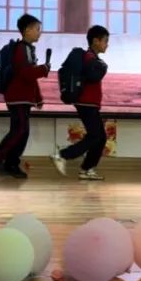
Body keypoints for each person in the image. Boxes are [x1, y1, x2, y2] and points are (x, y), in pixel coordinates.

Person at [0, 14, 49, 179]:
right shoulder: (22, 49)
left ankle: (11, 163)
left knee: (22, 131)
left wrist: (38, 97)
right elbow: (26, 73)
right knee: (20, 129)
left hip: (22, 97)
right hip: (17, 96)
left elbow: (29, 76)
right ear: (27, 30)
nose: (39, 32)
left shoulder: (27, 49)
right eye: (37, 29)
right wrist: (43, 69)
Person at [51, 25, 110, 180]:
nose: (107, 45)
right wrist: (103, 67)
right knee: (95, 136)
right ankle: (62, 155)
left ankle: (87, 169)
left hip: (89, 103)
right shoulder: (89, 57)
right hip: (86, 103)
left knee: (100, 137)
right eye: (105, 41)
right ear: (96, 41)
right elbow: (93, 75)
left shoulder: (91, 58)